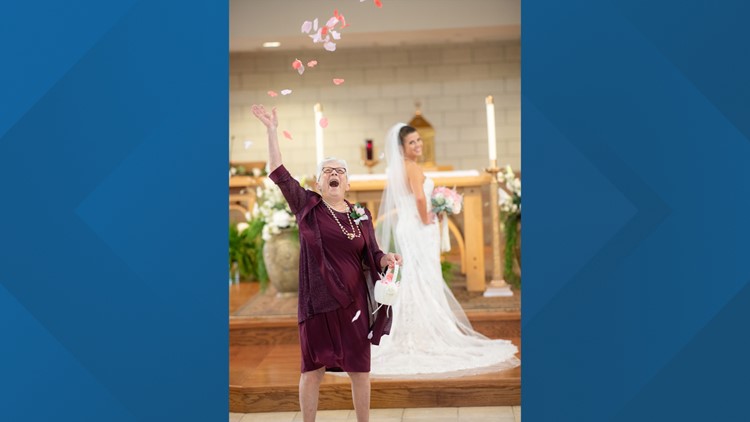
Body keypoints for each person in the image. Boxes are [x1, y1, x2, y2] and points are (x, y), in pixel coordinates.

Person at [251, 104, 402, 422]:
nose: (334, 174)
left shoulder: (361, 215)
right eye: (328, 171)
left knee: (360, 369)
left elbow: (371, 254)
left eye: (340, 171)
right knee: (312, 369)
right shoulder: (308, 206)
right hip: (318, 303)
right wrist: (271, 130)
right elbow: (279, 171)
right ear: (318, 183)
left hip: (354, 304)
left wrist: (385, 258)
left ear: (348, 183)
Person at [371, 123, 520, 377]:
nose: (418, 145)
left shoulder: (399, 169)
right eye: (412, 142)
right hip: (418, 228)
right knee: (424, 279)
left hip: (408, 227)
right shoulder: (413, 168)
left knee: (415, 279)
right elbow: (419, 198)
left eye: (419, 141)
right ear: (401, 147)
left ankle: (412, 331)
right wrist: (428, 217)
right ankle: (423, 333)